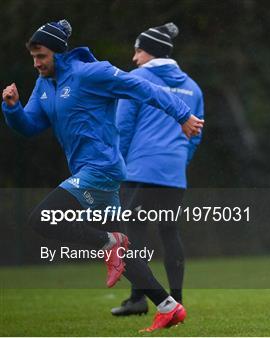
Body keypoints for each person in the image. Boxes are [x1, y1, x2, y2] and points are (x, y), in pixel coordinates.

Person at [1, 19, 204, 332]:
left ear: (57, 52)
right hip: (88, 171)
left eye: (41, 56)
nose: (36, 63)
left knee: (42, 218)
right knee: (123, 255)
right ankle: (168, 306)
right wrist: (13, 109)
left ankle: (109, 241)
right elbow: (29, 126)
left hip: (102, 169)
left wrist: (182, 114)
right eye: (33, 57)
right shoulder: (45, 85)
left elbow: (144, 88)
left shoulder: (89, 73)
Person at [110, 22, 204, 316]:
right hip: (174, 171)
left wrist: (117, 165)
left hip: (139, 168)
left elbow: (122, 127)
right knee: (169, 231)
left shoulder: (136, 79)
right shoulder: (192, 86)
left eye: (138, 51)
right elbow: (195, 133)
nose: (135, 58)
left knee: (132, 230)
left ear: (149, 52)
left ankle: (139, 297)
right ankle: (177, 298)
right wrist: (179, 162)